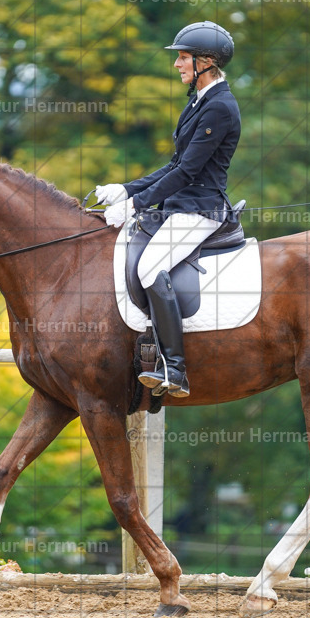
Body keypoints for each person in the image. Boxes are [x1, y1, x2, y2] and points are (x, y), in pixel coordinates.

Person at [96, 21, 241, 399]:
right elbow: (175, 165)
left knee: (149, 268)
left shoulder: (220, 107)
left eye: (183, 57)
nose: (177, 64)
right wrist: (125, 190)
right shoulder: (198, 102)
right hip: (180, 205)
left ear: (206, 62)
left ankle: (175, 368)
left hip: (200, 209)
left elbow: (190, 173)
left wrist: (135, 204)